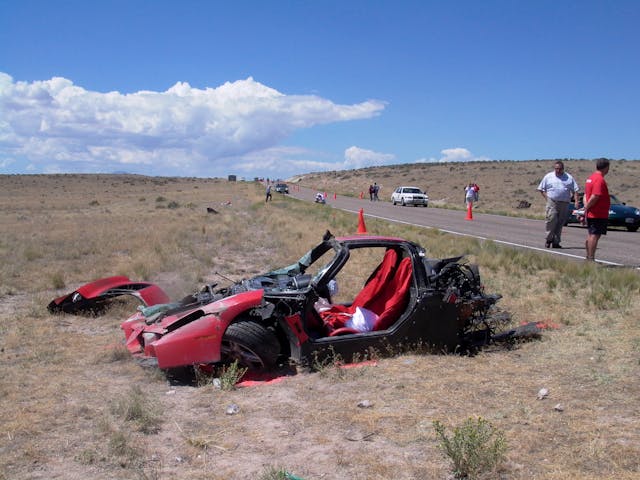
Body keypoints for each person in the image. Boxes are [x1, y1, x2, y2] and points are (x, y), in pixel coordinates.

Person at [537, 161, 580, 248]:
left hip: (564, 203)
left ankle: (556, 242)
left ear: (563, 169)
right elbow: (541, 189)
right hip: (552, 201)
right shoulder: (549, 176)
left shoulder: (568, 178)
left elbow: (575, 190)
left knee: (560, 222)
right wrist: (547, 199)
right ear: (554, 168)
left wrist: (576, 201)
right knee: (551, 220)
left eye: (560, 169)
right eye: (556, 168)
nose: (558, 170)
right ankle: (549, 239)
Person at [583, 158, 611, 261]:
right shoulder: (599, 179)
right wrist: (587, 207)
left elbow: (586, 195)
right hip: (597, 213)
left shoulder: (590, 178)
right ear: (606, 167)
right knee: (594, 236)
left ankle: (588, 256)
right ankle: (591, 258)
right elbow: (595, 196)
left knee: (591, 234)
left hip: (593, 212)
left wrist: (586, 207)